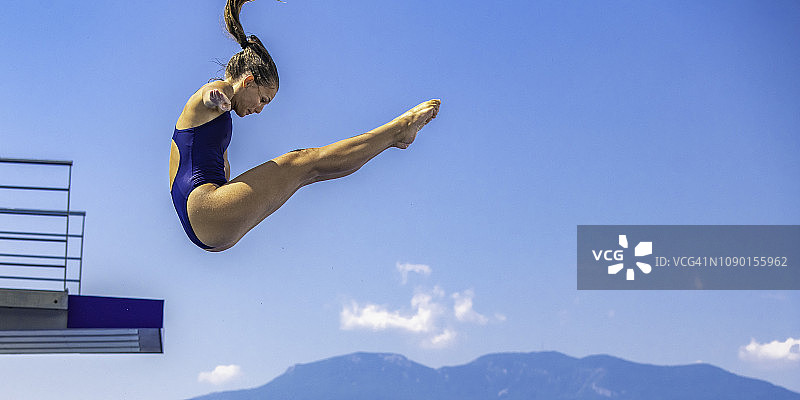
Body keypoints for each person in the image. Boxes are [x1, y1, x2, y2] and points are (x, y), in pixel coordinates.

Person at [169, 0, 440, 251]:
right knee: (303, 162)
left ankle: (395, 134)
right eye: (263, 98)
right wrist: (215, 97)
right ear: (248, 80)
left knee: (306, 172)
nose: (260, 108)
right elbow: (211, 94)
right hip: (204, 210)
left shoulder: (218, 121)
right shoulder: (219, 91)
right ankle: (397, 131)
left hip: (205, 218)